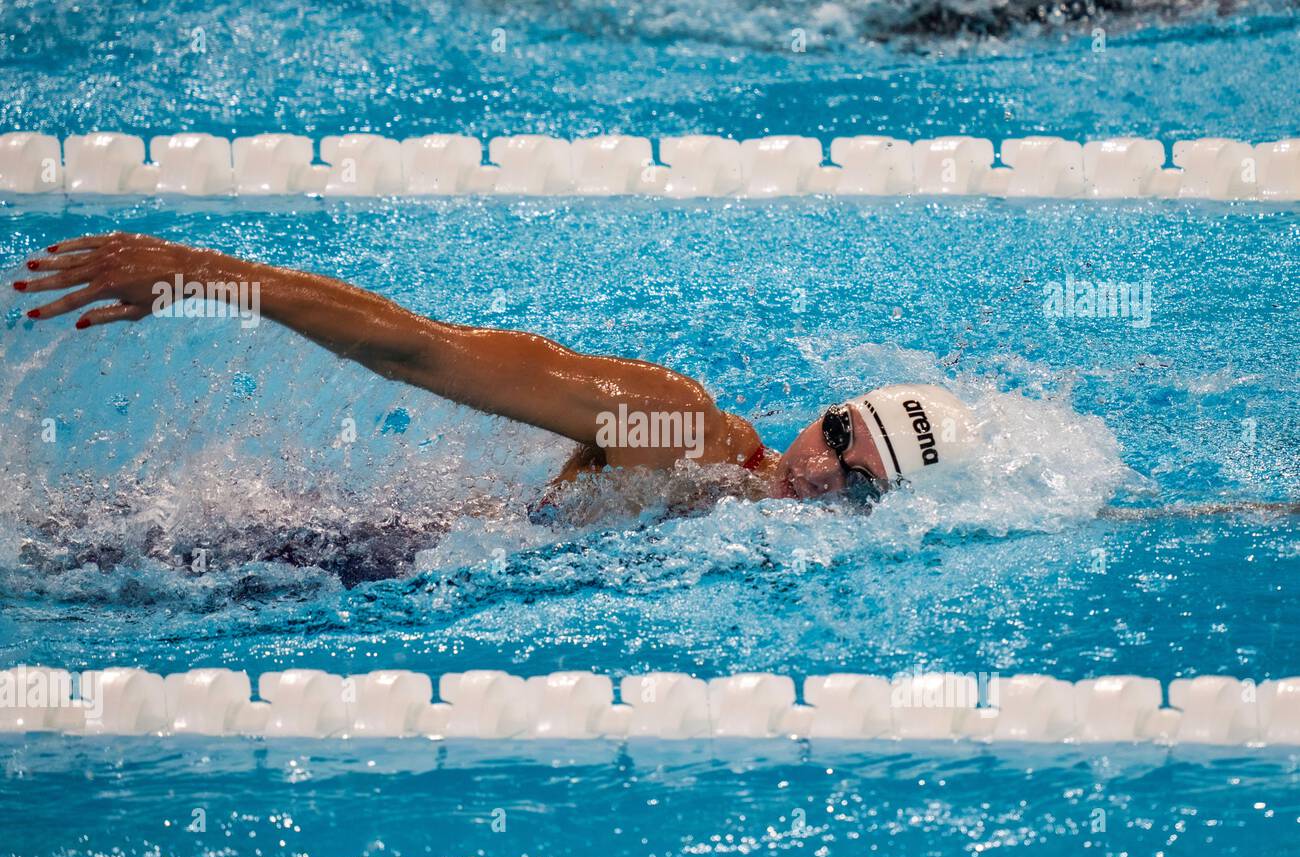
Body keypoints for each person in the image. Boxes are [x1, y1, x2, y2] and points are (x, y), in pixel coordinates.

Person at [15, 232, 979, 513]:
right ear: (825, 415)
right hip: (344, 566)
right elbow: (423, 352)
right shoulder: (679, 432)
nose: (819, 470)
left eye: (858, 488)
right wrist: (208, 278)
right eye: (839, 436)